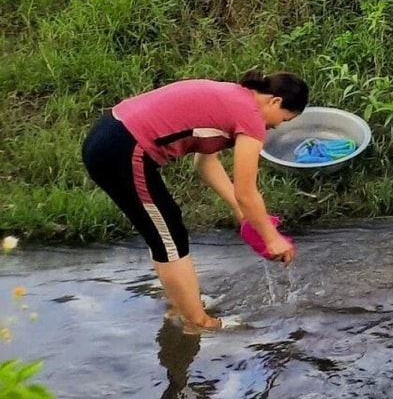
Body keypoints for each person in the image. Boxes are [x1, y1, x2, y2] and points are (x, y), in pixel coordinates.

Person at [81, 71, 305, 332]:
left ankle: (182, 306)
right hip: (124, 147)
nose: (275, 127)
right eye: (281, 121)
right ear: (275, 102)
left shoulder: (235, 97)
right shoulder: (251, 117)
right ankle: (199, 322)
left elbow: (205, 162)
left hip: (110, 134)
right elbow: (247, 191)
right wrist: (271, 238)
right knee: (168, 236)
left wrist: (239, 210)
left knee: (167, 230)